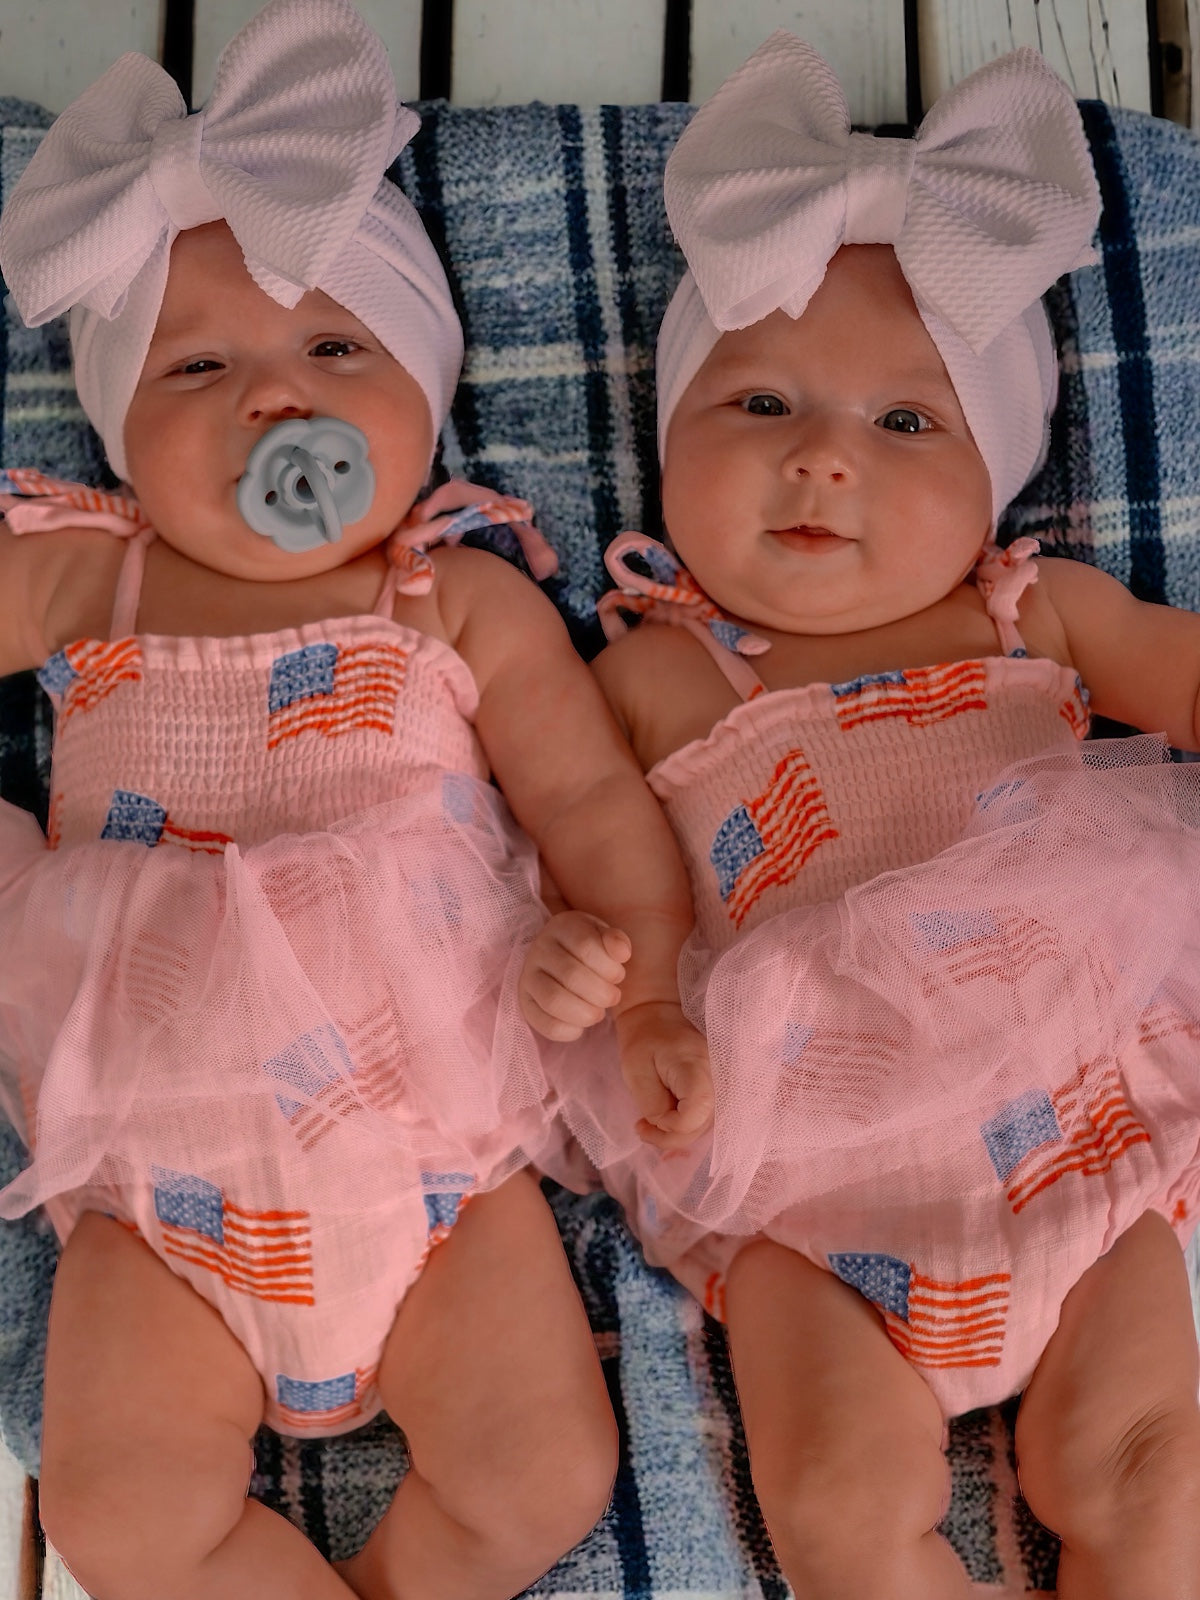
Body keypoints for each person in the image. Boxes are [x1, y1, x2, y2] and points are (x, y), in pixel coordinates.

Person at [0, 2, 712, 1596]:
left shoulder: (448, 597)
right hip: (153, 1162)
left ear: (421, 396)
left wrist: (633, 961)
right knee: (113, 1520)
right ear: (121, 427)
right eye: (198, 363)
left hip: (432, 1147)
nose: (273, 397)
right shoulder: (91, 579)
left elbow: (591, 797)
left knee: (541, 1472)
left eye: (335, 349)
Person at [521, 35, 1200, 1599]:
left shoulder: (1037, 612)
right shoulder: (651, 671)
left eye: (909, 425)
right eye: (760, 399)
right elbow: (552, 840)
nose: (823, 452)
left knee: (1144, 1458)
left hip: (1076, 1104)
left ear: (998, 477)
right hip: (806, 1155)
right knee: (837, 1505)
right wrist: (580, 967)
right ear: (669, 440)